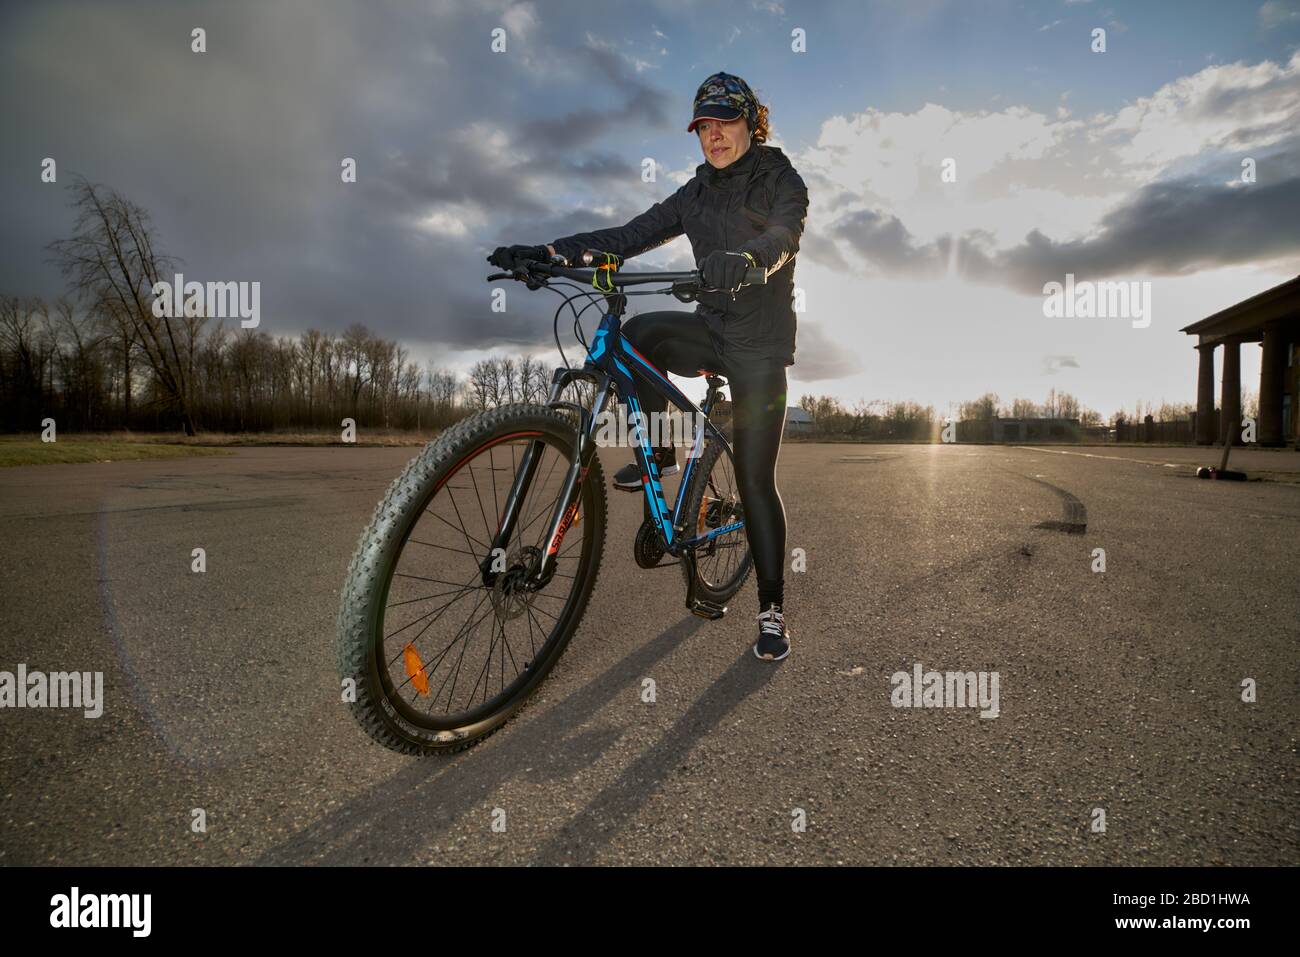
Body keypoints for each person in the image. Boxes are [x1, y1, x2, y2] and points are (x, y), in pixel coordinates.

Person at [488, 71, 808, 662]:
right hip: (713, 329)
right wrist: (552, 251)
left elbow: (785, 234)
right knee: (635, 334)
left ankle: (770, 609)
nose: (713, 136)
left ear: (750, 122)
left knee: (756, 481)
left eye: (724, 122)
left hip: (760, 345)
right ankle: (658, 450)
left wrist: (748, 259)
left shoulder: (780, 177)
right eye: (703, 127)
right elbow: (628, 236)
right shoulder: (694, 193)